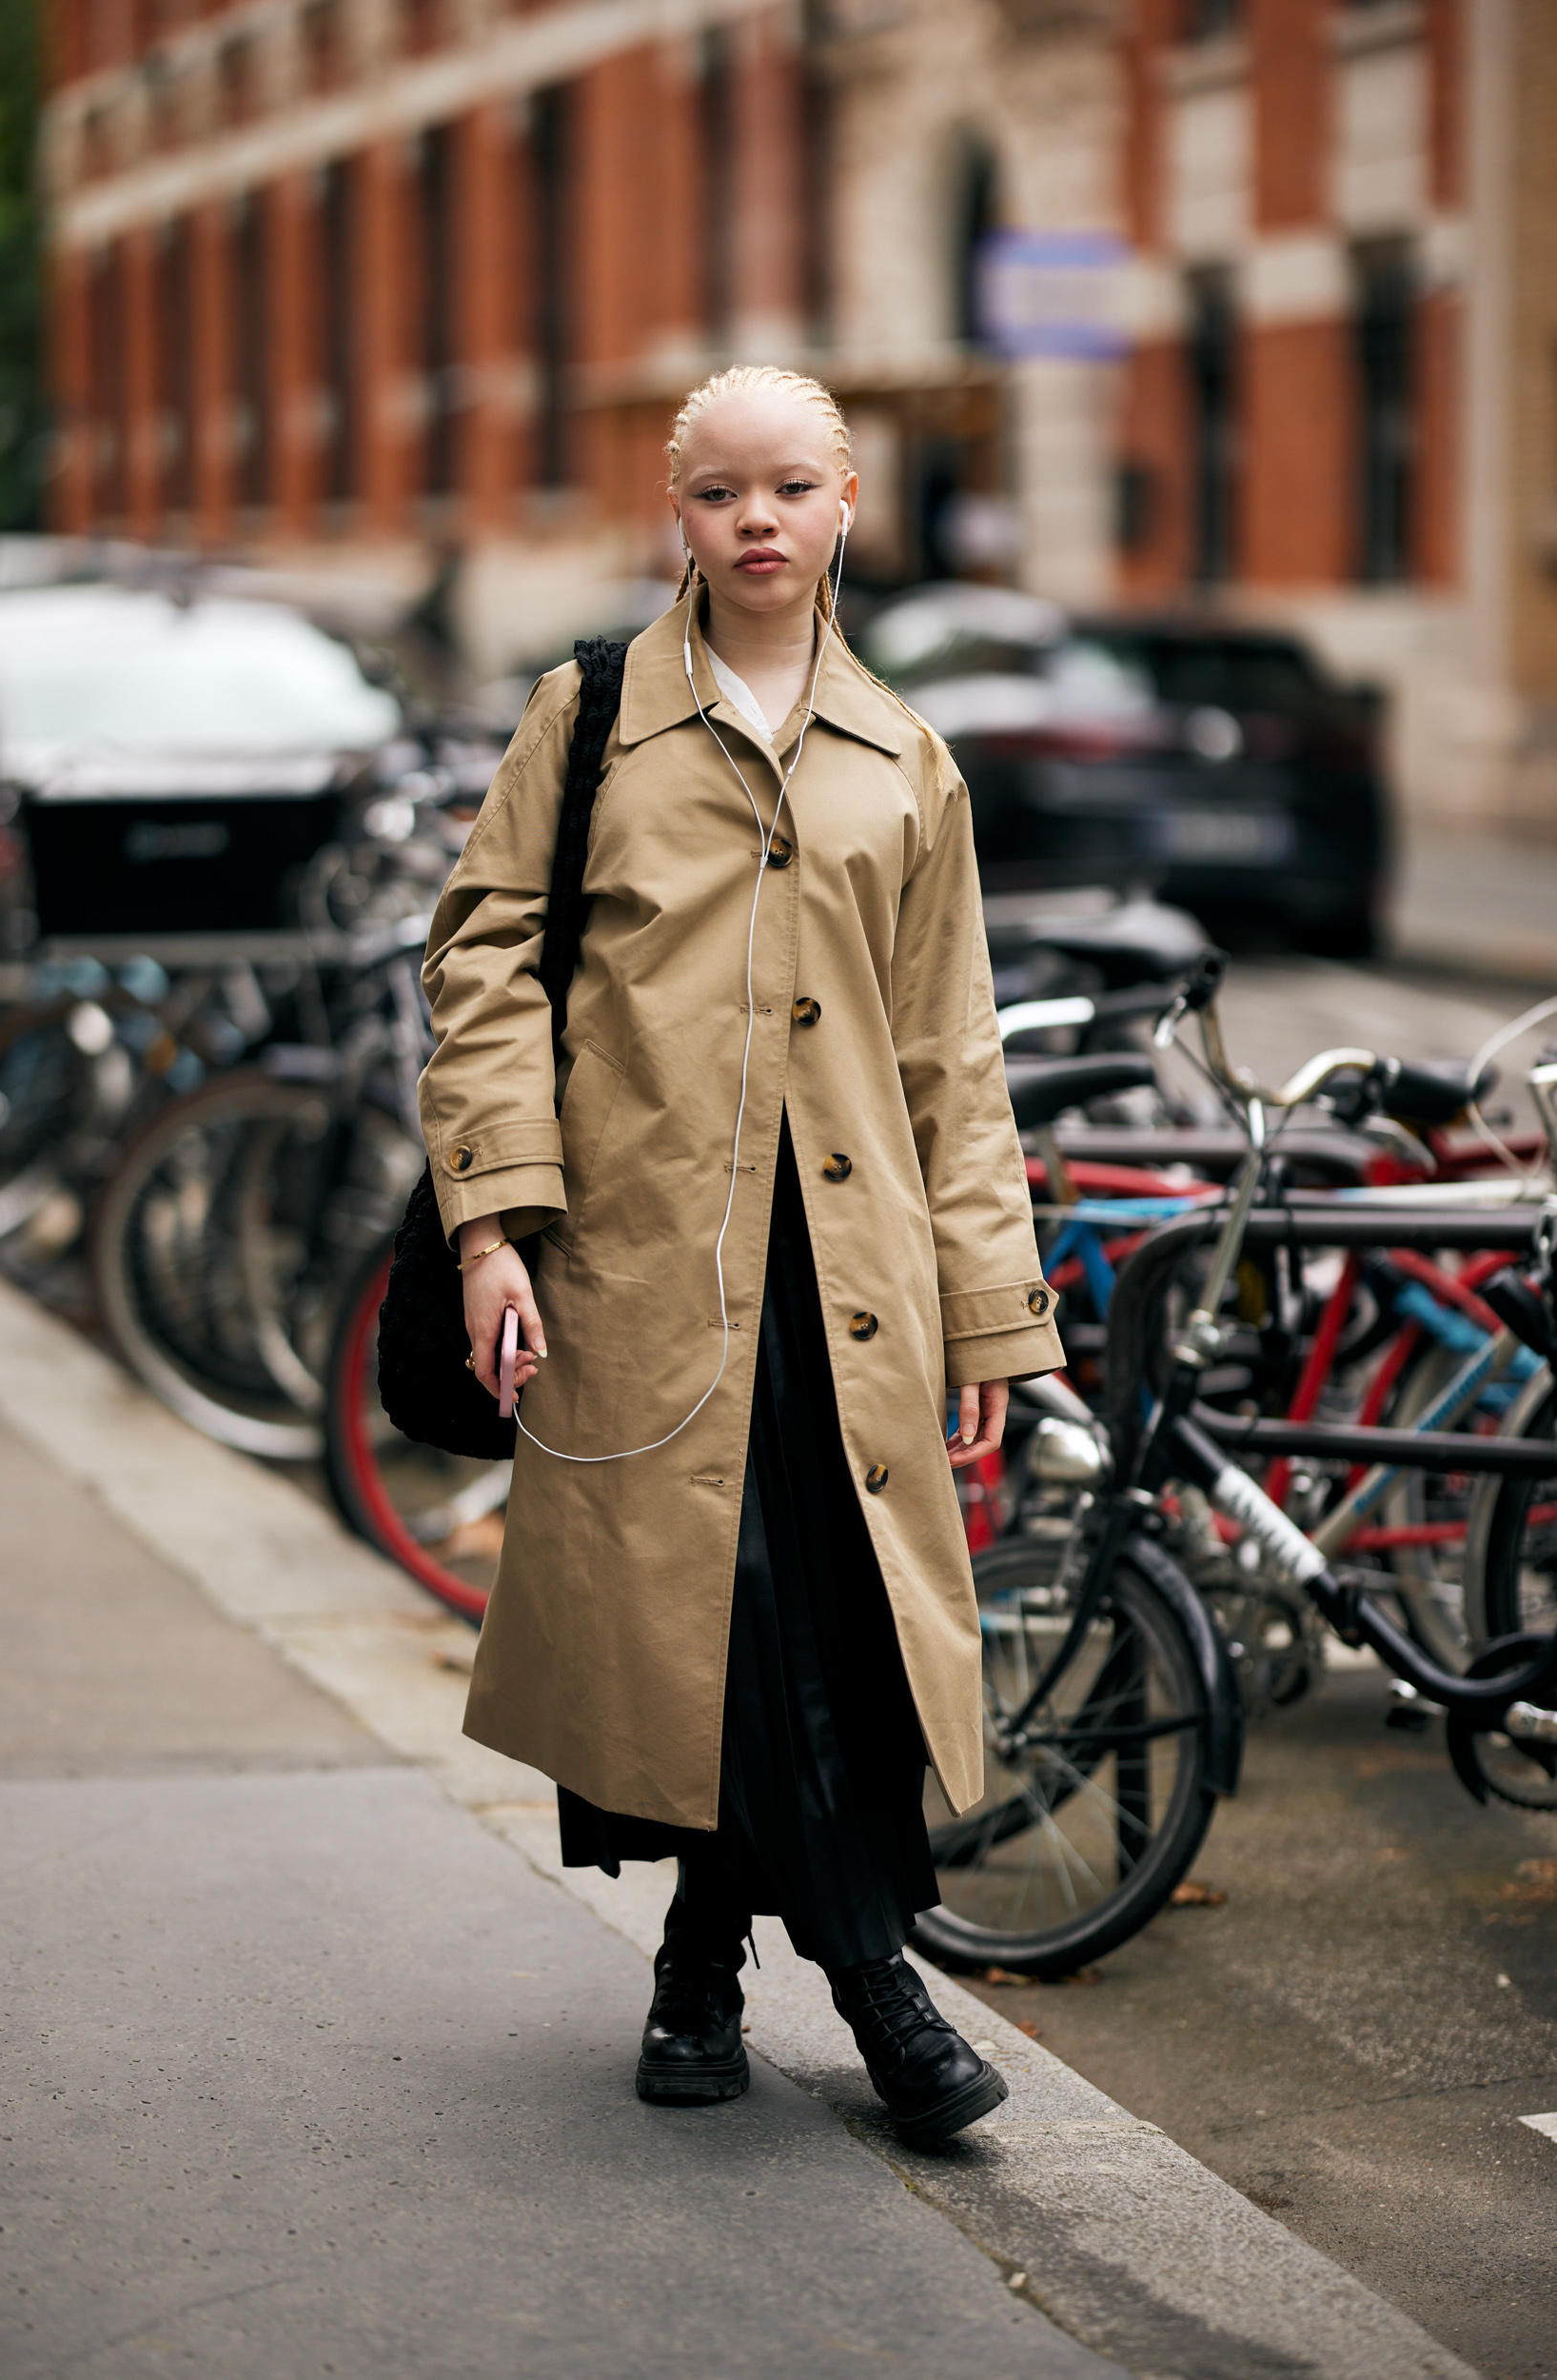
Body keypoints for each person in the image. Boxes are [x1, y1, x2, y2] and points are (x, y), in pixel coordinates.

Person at [418, 365, 1063, 2147]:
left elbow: (954, 1058)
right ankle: (881, 1992)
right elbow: (480, 963)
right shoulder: (594, 713)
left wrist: (993, 1321)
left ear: (852, 497)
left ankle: (704, 1964)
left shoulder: (908, 760)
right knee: (733, 1619)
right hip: (647, 1273)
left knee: (803, 1629)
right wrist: (496, 1227)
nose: (755, 520)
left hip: (852, 1289)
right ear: (675, 509)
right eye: (719, 492)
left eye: (791, 486)